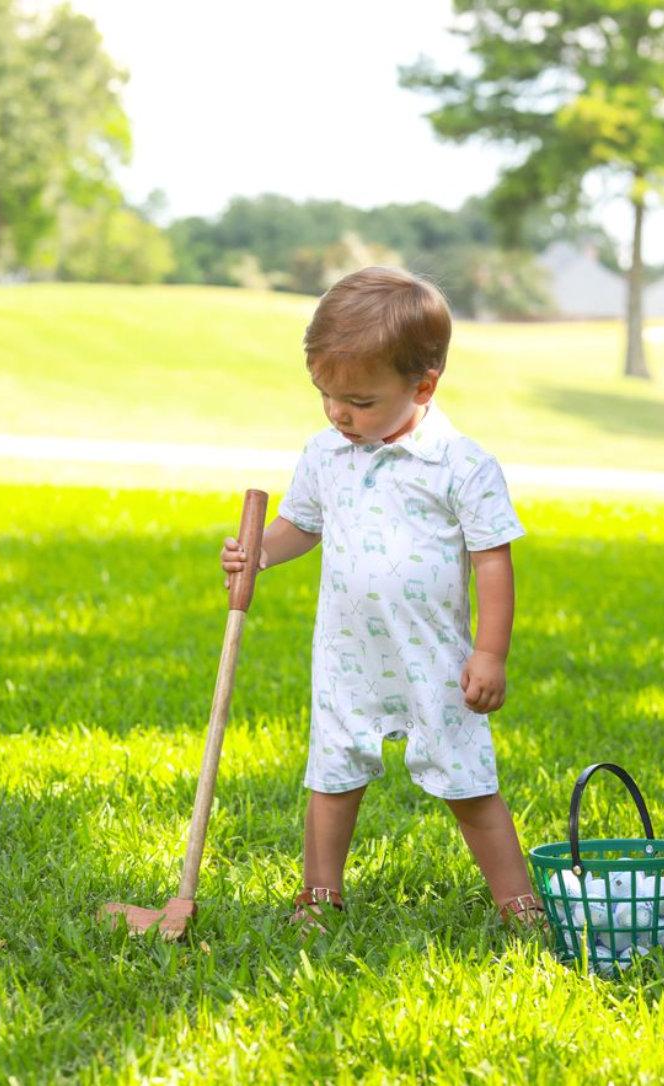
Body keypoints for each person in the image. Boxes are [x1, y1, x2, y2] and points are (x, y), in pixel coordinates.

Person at [220, 267, 546, 938]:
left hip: (434, 656)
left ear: (422, 386)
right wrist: (260, 552)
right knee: (332, 774)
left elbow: (493, 559)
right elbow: (301, 526)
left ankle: (518, 901)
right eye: (326, 396)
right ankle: (319, 894)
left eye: (359, 401)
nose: (340, 414)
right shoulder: (326, 453)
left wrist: (490, 652)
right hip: (346, 654)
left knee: (469, 782)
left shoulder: (460, 463)